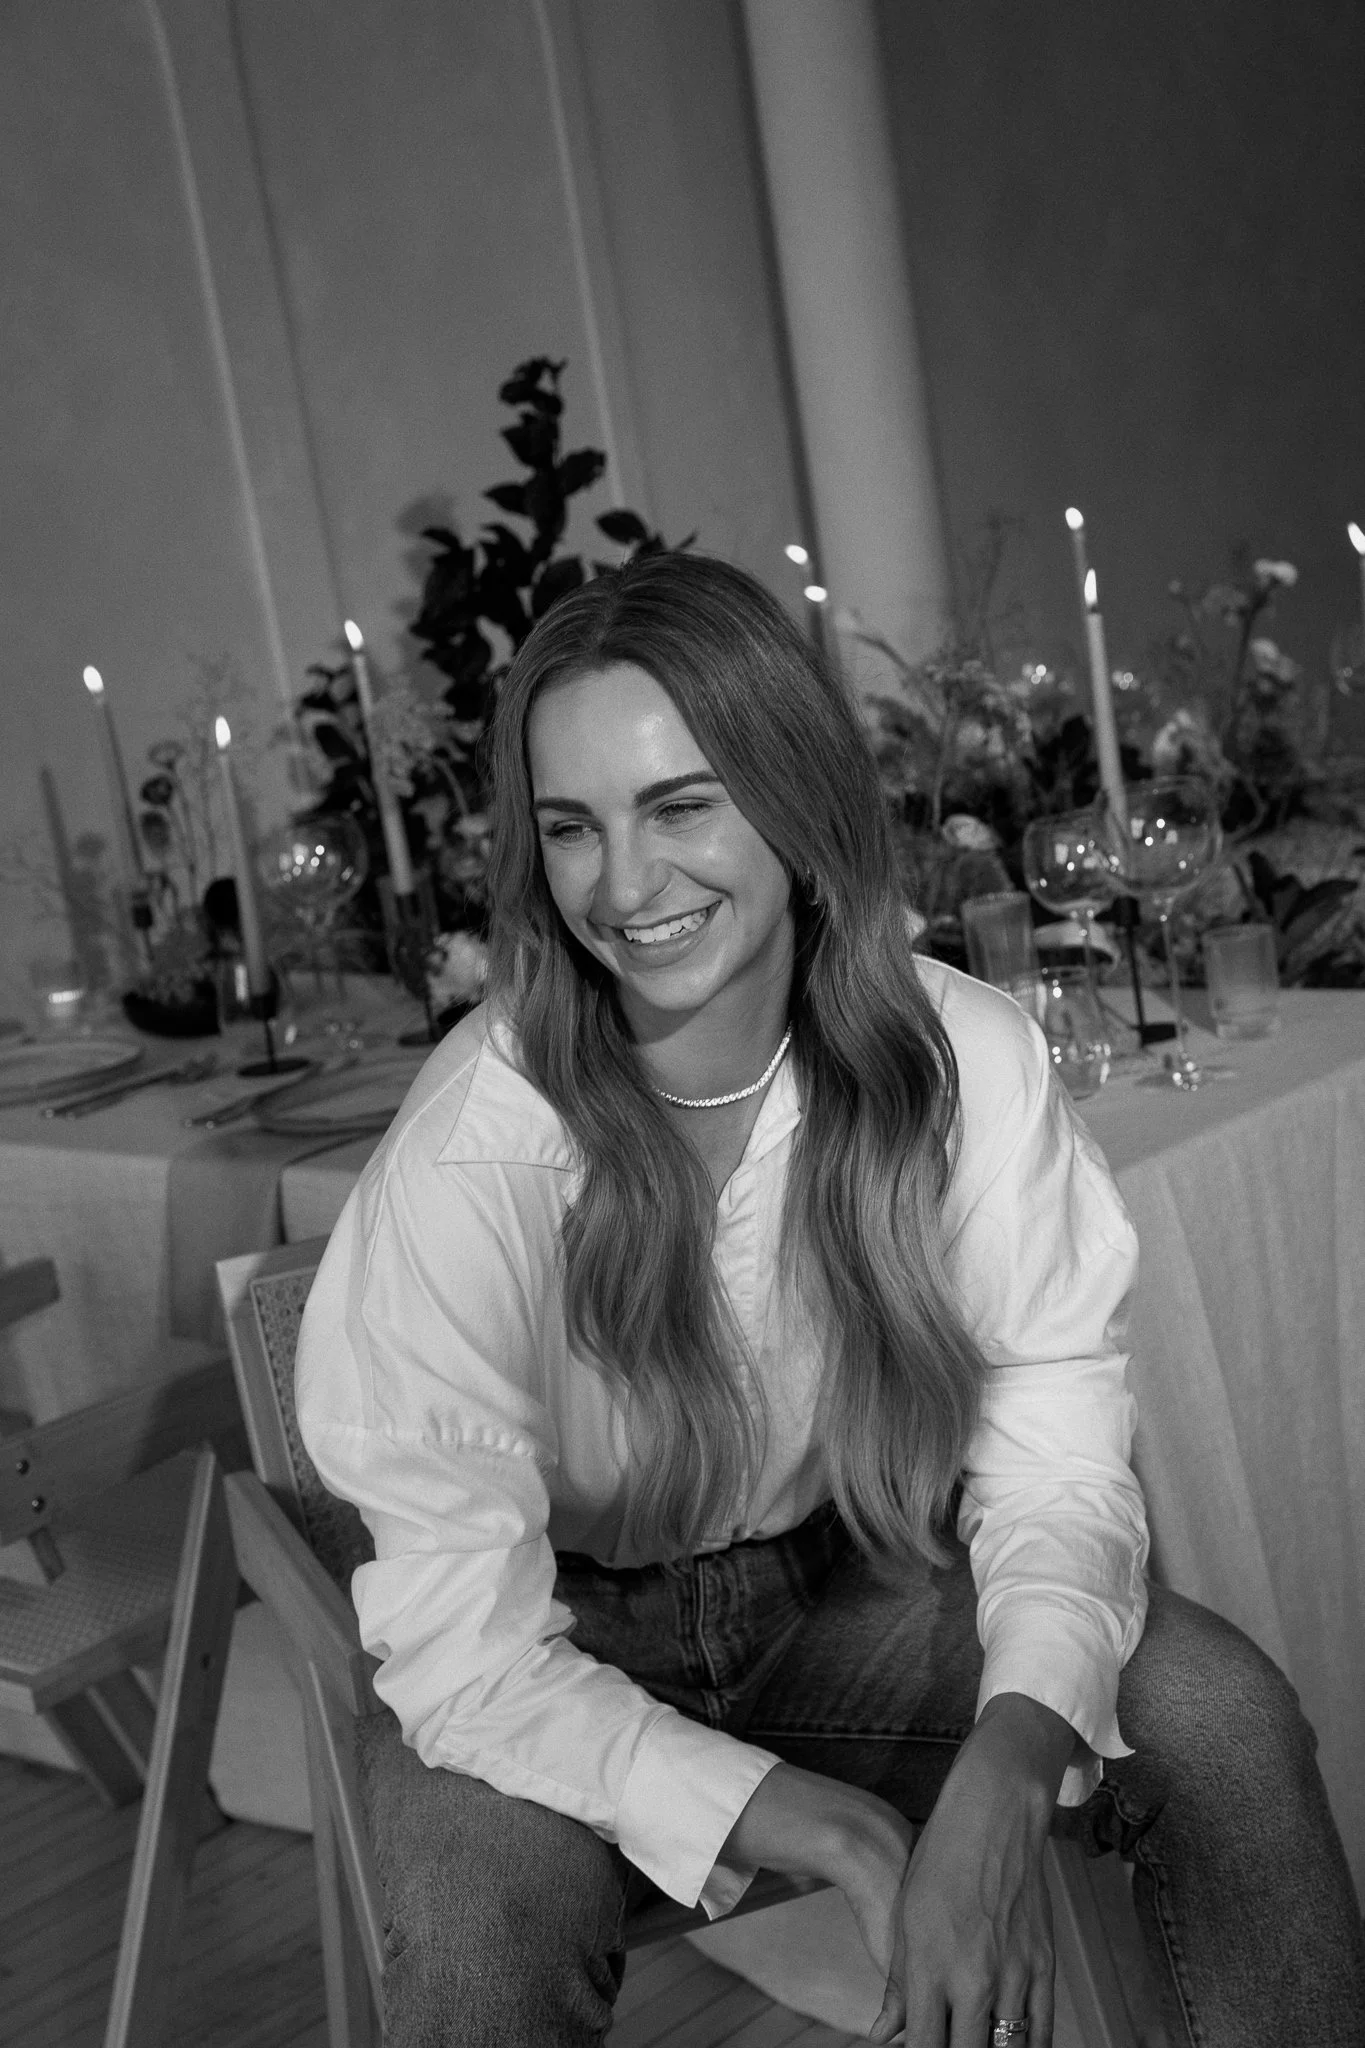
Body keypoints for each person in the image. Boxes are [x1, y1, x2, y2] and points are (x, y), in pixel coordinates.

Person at [296, 552, 1364, 2048]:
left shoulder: (963, 1057)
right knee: (481, 1919)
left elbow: (1056, 1456)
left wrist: (1009, 1755)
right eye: (572, 828)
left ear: (796, 807)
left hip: (838, 1589)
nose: (624, 884)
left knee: (1222, 1719)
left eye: (681, 806)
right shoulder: (476, 1143)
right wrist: (835, 1829)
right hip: (541, 1645)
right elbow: (468, 1649)